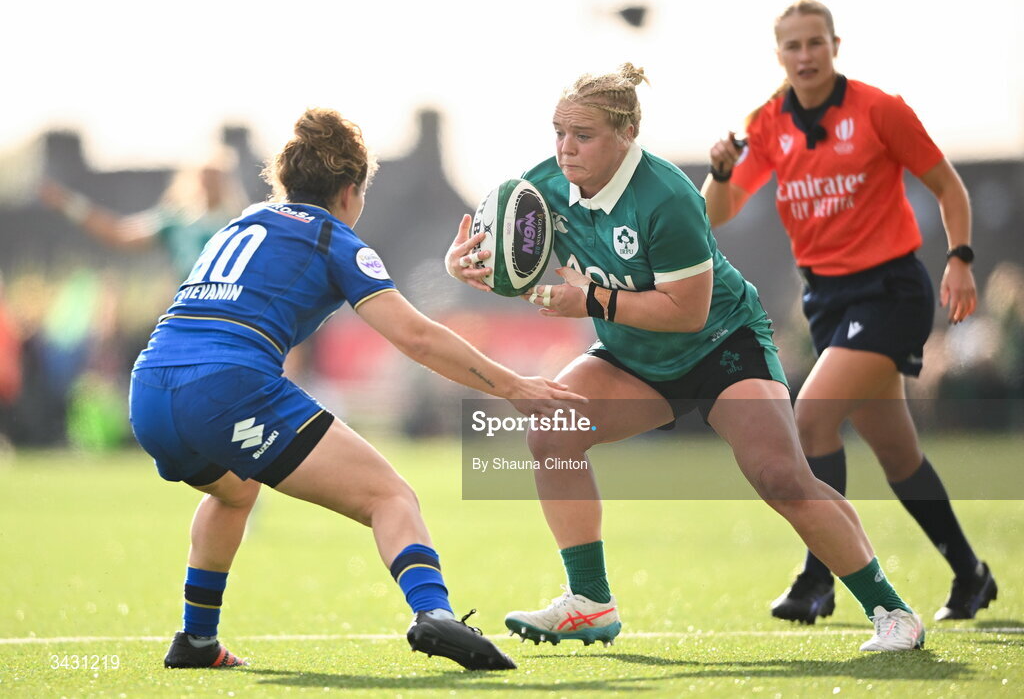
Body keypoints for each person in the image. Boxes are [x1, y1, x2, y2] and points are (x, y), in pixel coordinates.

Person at [447, 63, 925, 651]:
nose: (565, 149)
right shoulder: (540, 188)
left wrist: (587, 300)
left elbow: (686, 312)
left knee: (781, 478)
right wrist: (469, 267)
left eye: (583, 135)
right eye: (559, 132)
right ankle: (590, 602)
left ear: (626, 135)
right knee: (551, 428)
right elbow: (511, 265)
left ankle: (892, 611)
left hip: (721, 345)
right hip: (635, 356)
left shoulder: (668, 196)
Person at [129, 108, 587, 671]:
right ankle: (434, 613)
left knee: (235, 491)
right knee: (391, 496)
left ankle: (197, 639)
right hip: (227, 388)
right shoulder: (332, 237)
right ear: (349, 191)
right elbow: (415, 335)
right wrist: (514, 387)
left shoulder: (241, 222)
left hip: (149, 386)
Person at [701, 0, 996, 624]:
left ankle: (818, 580)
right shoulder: (768, 122)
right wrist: (719, 173)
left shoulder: (878, 109)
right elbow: (717, 211)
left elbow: (949, 186)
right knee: (898, 455)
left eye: (815, 43)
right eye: (792, 46)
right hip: (827, 303)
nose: (805, 56)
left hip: (891, 292)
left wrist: (961, 258)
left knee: (810, 421)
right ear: (778, 54)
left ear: (836, 44)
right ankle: (971, 575)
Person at [40, 147, 249, 280]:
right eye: (206, 176)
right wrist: (69, 203)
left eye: (216, 177)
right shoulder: (177, 221)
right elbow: (119, 233)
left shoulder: (244, 224)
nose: (210, 183)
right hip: (190, 319)